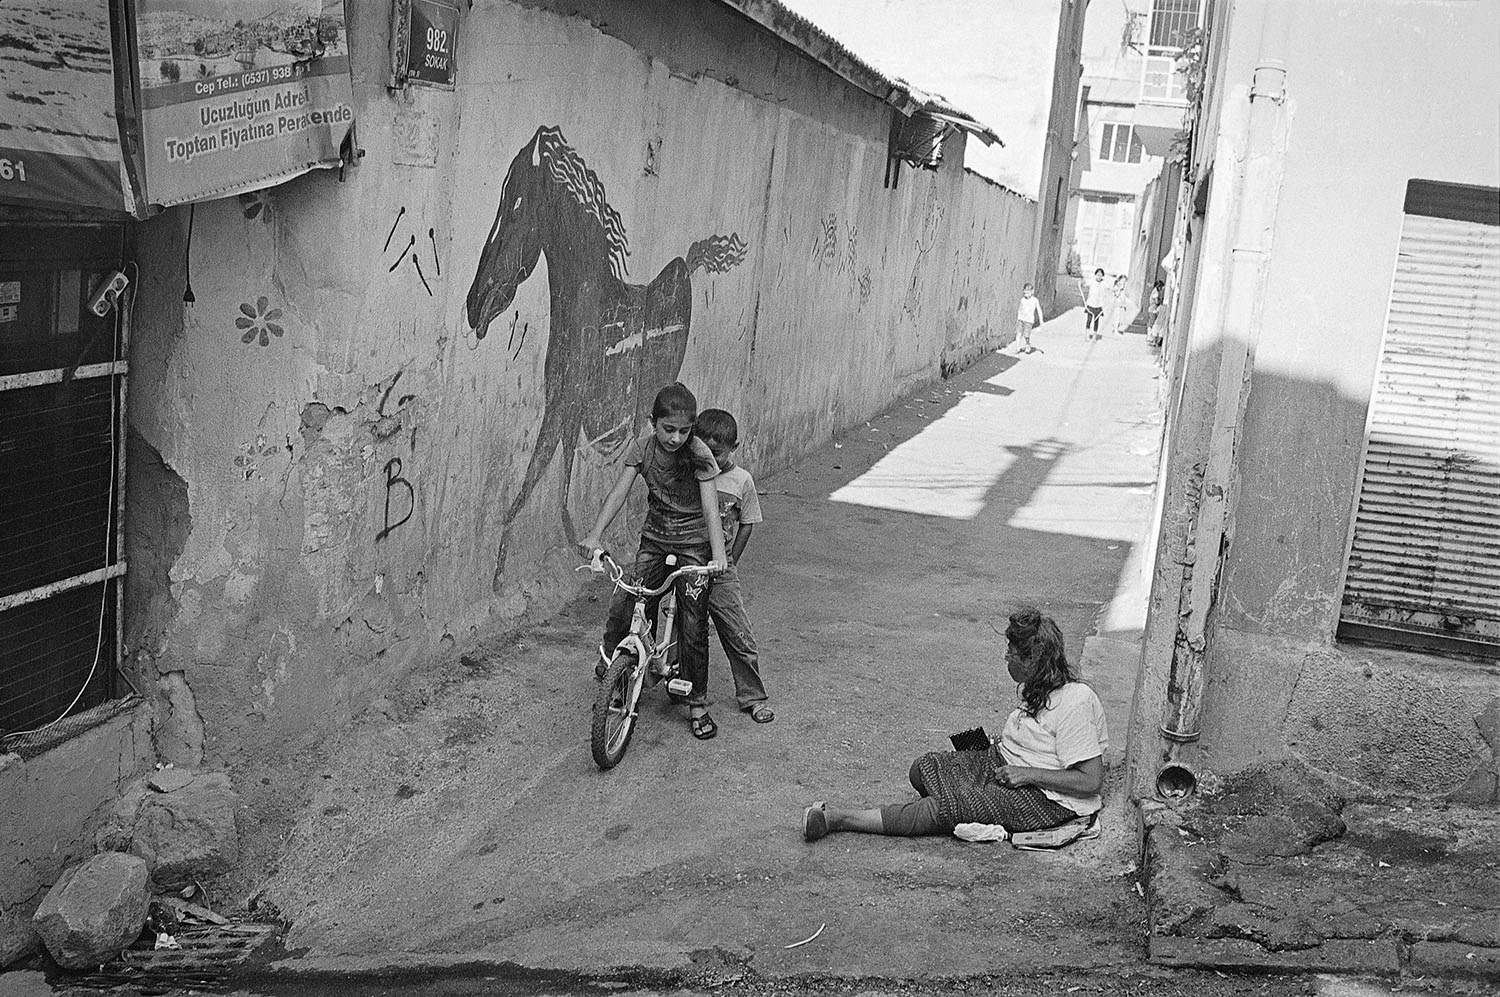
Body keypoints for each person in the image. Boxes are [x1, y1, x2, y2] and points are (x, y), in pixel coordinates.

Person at [802, 608, 1107, 841]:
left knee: (941, 809)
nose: (1006, 657)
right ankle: (950, 807)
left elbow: (1090, 781)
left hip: (1047, 799)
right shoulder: (1042, 688)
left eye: (1011, 652)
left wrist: (1027, 774)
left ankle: (838, 819)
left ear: (1032, 659)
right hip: (1006, 766)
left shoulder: (1075, 702)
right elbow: (1039, 740)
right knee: (923, 768)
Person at [578, 382, 728, 740]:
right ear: (652, 422)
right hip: (655, 539)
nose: (676, 438)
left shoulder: (700, 454)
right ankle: (617, 671)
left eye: (684, 431)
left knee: (693, 622)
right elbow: (619, 492)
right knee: (629, 602)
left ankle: (697, 703)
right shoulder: (642, 449)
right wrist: (595, 534)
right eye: (668, 429)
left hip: (693, 543)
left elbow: (711, 508)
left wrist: (718, 554)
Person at [692, 408, 774, 725]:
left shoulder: (741, 481)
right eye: (704, 451)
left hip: (721, 569)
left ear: (734, 447)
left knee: (738, 633)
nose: (710, 459)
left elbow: (747, 523)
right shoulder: (691, 472)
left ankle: (753, 696)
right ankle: (679, 686)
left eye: (717, 453)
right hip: (689, 561)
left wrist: (730, 561)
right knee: (684, 628)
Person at [1079, 268, 1108, 340]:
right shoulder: (1092, 282)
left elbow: (1110, 289)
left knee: (1096, 321)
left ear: (1102, 276)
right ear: (1095, 275)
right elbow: (1084, 284)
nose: (1099, 276)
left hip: (1098, 305)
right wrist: (1081, 282)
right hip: (1091, 304)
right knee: (1089, 320)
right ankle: (1087, 334)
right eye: (1098, 275)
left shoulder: (1104, 284)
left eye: (1100, 275)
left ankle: (1094, 335)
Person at [1015, 283, 1044, 354]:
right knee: (1018, 334)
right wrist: (1018, 318)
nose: (1026, 295)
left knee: (1026, 335)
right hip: (1021, 319)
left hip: (1029, 321)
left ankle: (1028, 344)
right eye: (1025, 293)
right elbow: (1020, 309)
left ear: (1032, 292)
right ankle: (1017, 348)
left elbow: (1039, 310)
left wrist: (1041, 320)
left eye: (1027, 293)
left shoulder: (1035, 300)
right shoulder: (1022, 300)